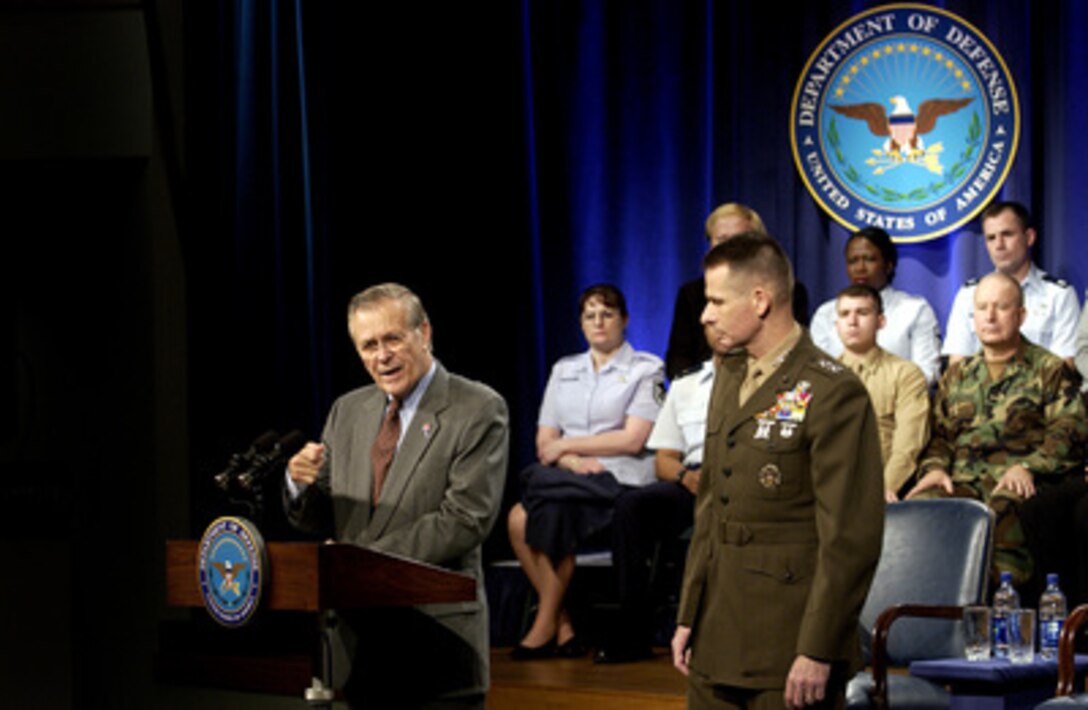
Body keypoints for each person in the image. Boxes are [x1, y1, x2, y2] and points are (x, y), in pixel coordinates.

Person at [672, 233, 884, 709]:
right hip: (716, 636)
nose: (705, 315)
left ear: (761, 300)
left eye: (716, 301)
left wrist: (817, 647)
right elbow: (710, 508)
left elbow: (848, 540)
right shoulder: (729, 374)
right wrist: (689, 614)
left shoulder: (833, 392)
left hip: (786, 646)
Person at [284, 283, 509, 709]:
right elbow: (321, 513)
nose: (381, 356)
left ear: (424, 332)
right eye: (368, 345)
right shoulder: (347, 410)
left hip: (436, 650)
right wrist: (299, 484)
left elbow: (465, 520)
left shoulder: (477, 408)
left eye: (392, 338)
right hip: (355, 651)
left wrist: (357, 563)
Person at [507, 284, 664, 660]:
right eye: (590, 315)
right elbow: (546, 442)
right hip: (571, 476)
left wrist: (565, 447)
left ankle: (547, 626)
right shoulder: (564, 370)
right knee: (516, 519)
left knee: (545, 510)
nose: (598, 322)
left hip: (618, 482)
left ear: (624, 320)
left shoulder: (647, 368)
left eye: (607, 314)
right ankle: (560, 624)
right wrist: (571, 459)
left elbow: (632, 439)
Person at [908, 272, 1087, 588]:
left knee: (1003, 507)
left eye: (1001, 307)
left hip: (1020, 478)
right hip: (963, 480)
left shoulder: (1049, 369)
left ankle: (1004, 614)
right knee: (924, 506)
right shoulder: (958, 375)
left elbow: (1069, 430)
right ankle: (925, 617)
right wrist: (934, 468)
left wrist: (1029, 466)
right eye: (982, 308)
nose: (989, 316)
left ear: (1021, 316)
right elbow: (939, 437)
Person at [596, 351, 714, 663]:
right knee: (632, 506)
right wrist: (685, 477)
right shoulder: (688, 383)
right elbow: (663, 461)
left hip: (744, 481)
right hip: (692, 479)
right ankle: (634, 628)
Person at [665, 204, 811, 380]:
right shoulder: (691, 294)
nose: (707, 317)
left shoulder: (789, 290)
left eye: (739, 239)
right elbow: (678, 359)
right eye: (721, 240)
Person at [942, 201, 1080, 367]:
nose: (999, 245)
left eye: (1007, 235)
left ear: (1029, 237)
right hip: (979, 391)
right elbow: (957, 365)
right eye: (991, 238)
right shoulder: (969, 294)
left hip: (1040, 391)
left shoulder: (1059, 295)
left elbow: (1064, 367)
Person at [834, 284, 930, 502]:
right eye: (844, 314)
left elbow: (908, 445)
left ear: (881, 322)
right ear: (836, 324)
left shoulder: (906, 374)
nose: (852, 321)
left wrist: (885, 486)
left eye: (862, 313)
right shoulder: (820, 376)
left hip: (882, 486)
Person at [810, 227, 942, 385]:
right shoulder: (826, 313)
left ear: (888, 265)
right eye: (853, 261)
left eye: (869, 259)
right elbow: (816, 376)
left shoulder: (914, 310)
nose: (860, 268)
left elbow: (927, 374)